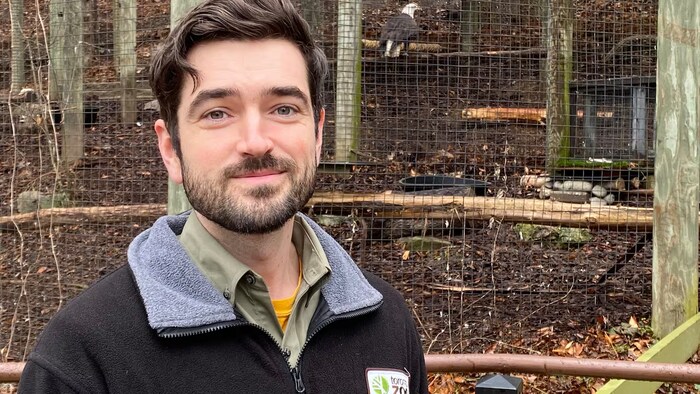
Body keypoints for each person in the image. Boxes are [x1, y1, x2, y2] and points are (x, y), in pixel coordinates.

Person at [18, 0, 428, 392]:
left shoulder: (387, 324)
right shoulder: (82, 358)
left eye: (284, 108)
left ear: (318, 135)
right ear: (171, 150)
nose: (255, 142)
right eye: (217, 113)